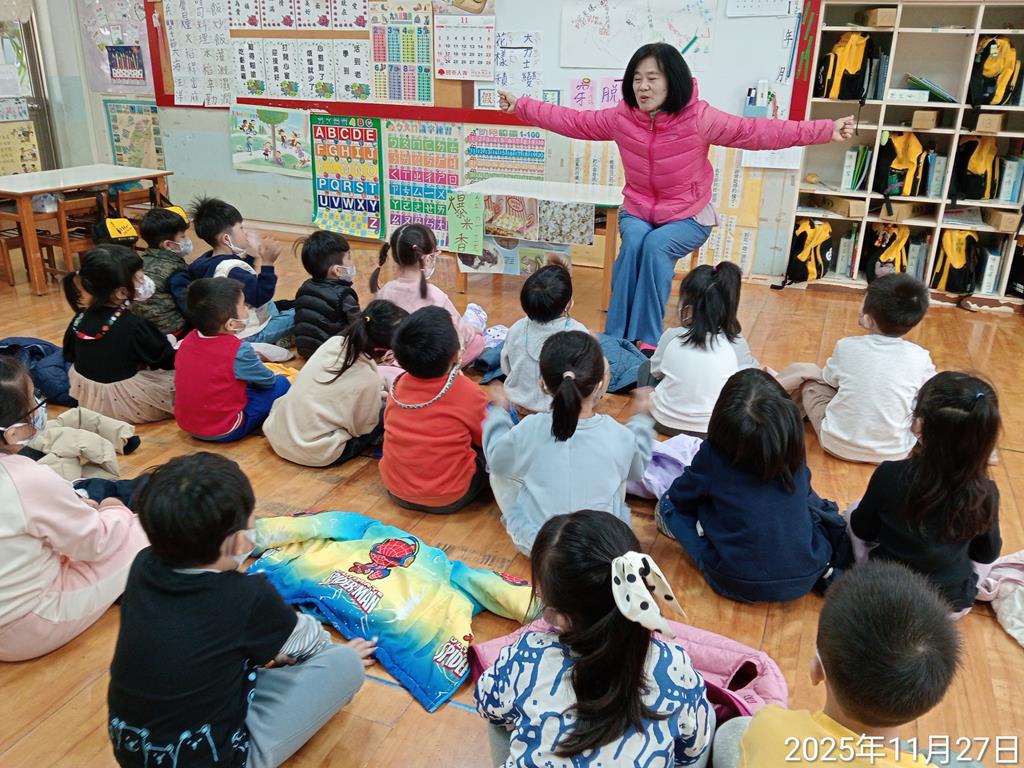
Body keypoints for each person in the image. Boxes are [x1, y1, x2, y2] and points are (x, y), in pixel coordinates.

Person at [499, 43, 853, 348]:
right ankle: (615, 338)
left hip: (688, 214)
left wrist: (825, 129)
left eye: (652, 78)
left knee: (655, 247)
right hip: (639, 210)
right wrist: (522, 106)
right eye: (637, 79)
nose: (643, 86)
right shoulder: (623, 117)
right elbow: (574, 121)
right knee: (634, 243)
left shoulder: (699, 118)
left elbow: (757, 131)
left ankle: (647, 340)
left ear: (673, 80)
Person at [107, 453, 376, 768]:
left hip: (132, 748)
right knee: (345, 663)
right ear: (238, 543)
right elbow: (310, 644)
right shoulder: (246, 596)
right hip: (221, 759)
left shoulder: (143, 564)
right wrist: (335, 655)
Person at [476, 509, 713, 767]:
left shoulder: (528, 655)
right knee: (705, 715)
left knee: (504, 710)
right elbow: (691, 751)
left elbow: (487, 704)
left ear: (561, 617)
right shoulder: (674, 665)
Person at [712, 561, 982, 768]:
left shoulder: (768, 726)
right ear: (926, 702)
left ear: (817, 670)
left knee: (735, 731)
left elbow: (732, 739)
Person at [0, 356, 147, 661]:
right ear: (12, 433)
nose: (38, 408)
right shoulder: (25, 478)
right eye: (33, 400)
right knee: (144, 530)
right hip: (27, 625)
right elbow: (95, 544)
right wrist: (113, 509)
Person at [657, 369, 840, 602]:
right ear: (790, 424)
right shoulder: (793, 451)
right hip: (809, 571)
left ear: (720, 423)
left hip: (736, 580)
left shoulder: (713, 456)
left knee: (668, 505)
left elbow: (680, 495)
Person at [485, 330, 654, 554]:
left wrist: (498, 413)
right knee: (619, 471)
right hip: (601, 548)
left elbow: (497, 462)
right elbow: (636, 471)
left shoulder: (530, 428)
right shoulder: (620, 435)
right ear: (601, 382)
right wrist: (641, 421)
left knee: (499, 469)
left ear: (543, 384)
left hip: (541, 546)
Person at [849, 372, 1002, 613]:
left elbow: (862, 529)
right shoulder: (986, 491)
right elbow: (987, 554)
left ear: (919, 424)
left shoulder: (889, 474)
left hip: (881, 593)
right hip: (947, 607)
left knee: (852, 510)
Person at [776, 273, 935, 463]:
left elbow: (829, 380)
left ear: (868, 319)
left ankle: (770, 402)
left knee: (809, 381)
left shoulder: (847, 346)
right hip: (895, 453)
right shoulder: (921, 357)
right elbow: (930, 395)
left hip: (837, 444)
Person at [264, 300, 408, 467]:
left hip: (278, 433)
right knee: (389, 412)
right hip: (315, 451)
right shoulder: (368, 378)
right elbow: (362, 429)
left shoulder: (334, 343)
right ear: (385, 352)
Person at [381, 306, 488, 513]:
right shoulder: (466, 391)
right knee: (492, 451)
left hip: (396, 490)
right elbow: (486, 437)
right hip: (449, 497)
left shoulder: (398, 384)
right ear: (456, 355)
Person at [62, 245, 177, 423]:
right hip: (129, 402)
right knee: (189, 377)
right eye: (140, 278)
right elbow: (166, 360)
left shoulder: (79, 319)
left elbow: (69, 355)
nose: (144, 280)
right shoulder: (134, 325)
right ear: (121, 292)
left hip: (90, 399)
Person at [646, 262, 758, 437]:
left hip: (662, 422)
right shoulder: (736, 343)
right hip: (712, 429)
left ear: (687, 307)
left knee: (646, 368)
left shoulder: (672, 336)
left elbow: (656, 371)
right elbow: (748, 379)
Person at [174, 278, 290, 442]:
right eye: (243, 306)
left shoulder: (186, 342)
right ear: (230, 324)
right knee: (281, 383)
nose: (247, 309)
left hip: (187, 425)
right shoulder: (238, 350)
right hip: (224, 430)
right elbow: (268, 381)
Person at [371, 222, 485, 365]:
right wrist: (474, 331)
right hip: (426, 362)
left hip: (393, 357)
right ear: (428, 258)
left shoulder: (385, 290)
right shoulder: (435, 296)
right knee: (478, 341)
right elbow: (459, 333)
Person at [187, 196, 295, 345]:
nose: (245, 232)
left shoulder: (206, 262)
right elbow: (260, 296)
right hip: (252, 334)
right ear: (226, 239)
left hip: (229, 329)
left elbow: (242, 278)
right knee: (300, 312)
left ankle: (280, 337)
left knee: (283, 305)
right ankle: (277, 339)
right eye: (241, 228)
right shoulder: (233, 270)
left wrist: (250, 255)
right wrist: (268, 263)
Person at [500, 263, 590, 413]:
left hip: (517, 405)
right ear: (568, 304)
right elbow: (588, 375)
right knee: (603, 367)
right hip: (560, 412)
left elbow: (506, 367)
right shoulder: (580, 332)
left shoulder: (516, 328)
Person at [293, 230, 361, 360]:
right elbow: (359, 327)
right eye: (349, 257)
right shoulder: (344, 296)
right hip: (332, 356)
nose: (352, 262)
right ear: (337, 270)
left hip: (306, 351)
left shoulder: (305, 287)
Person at [132, 207, 193, 337]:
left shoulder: (140, 262)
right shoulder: (175, 271)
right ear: (168, 245)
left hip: (141, 329)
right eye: (183, 236)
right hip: (170, 330)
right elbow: (188, 306)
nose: (187, 240)